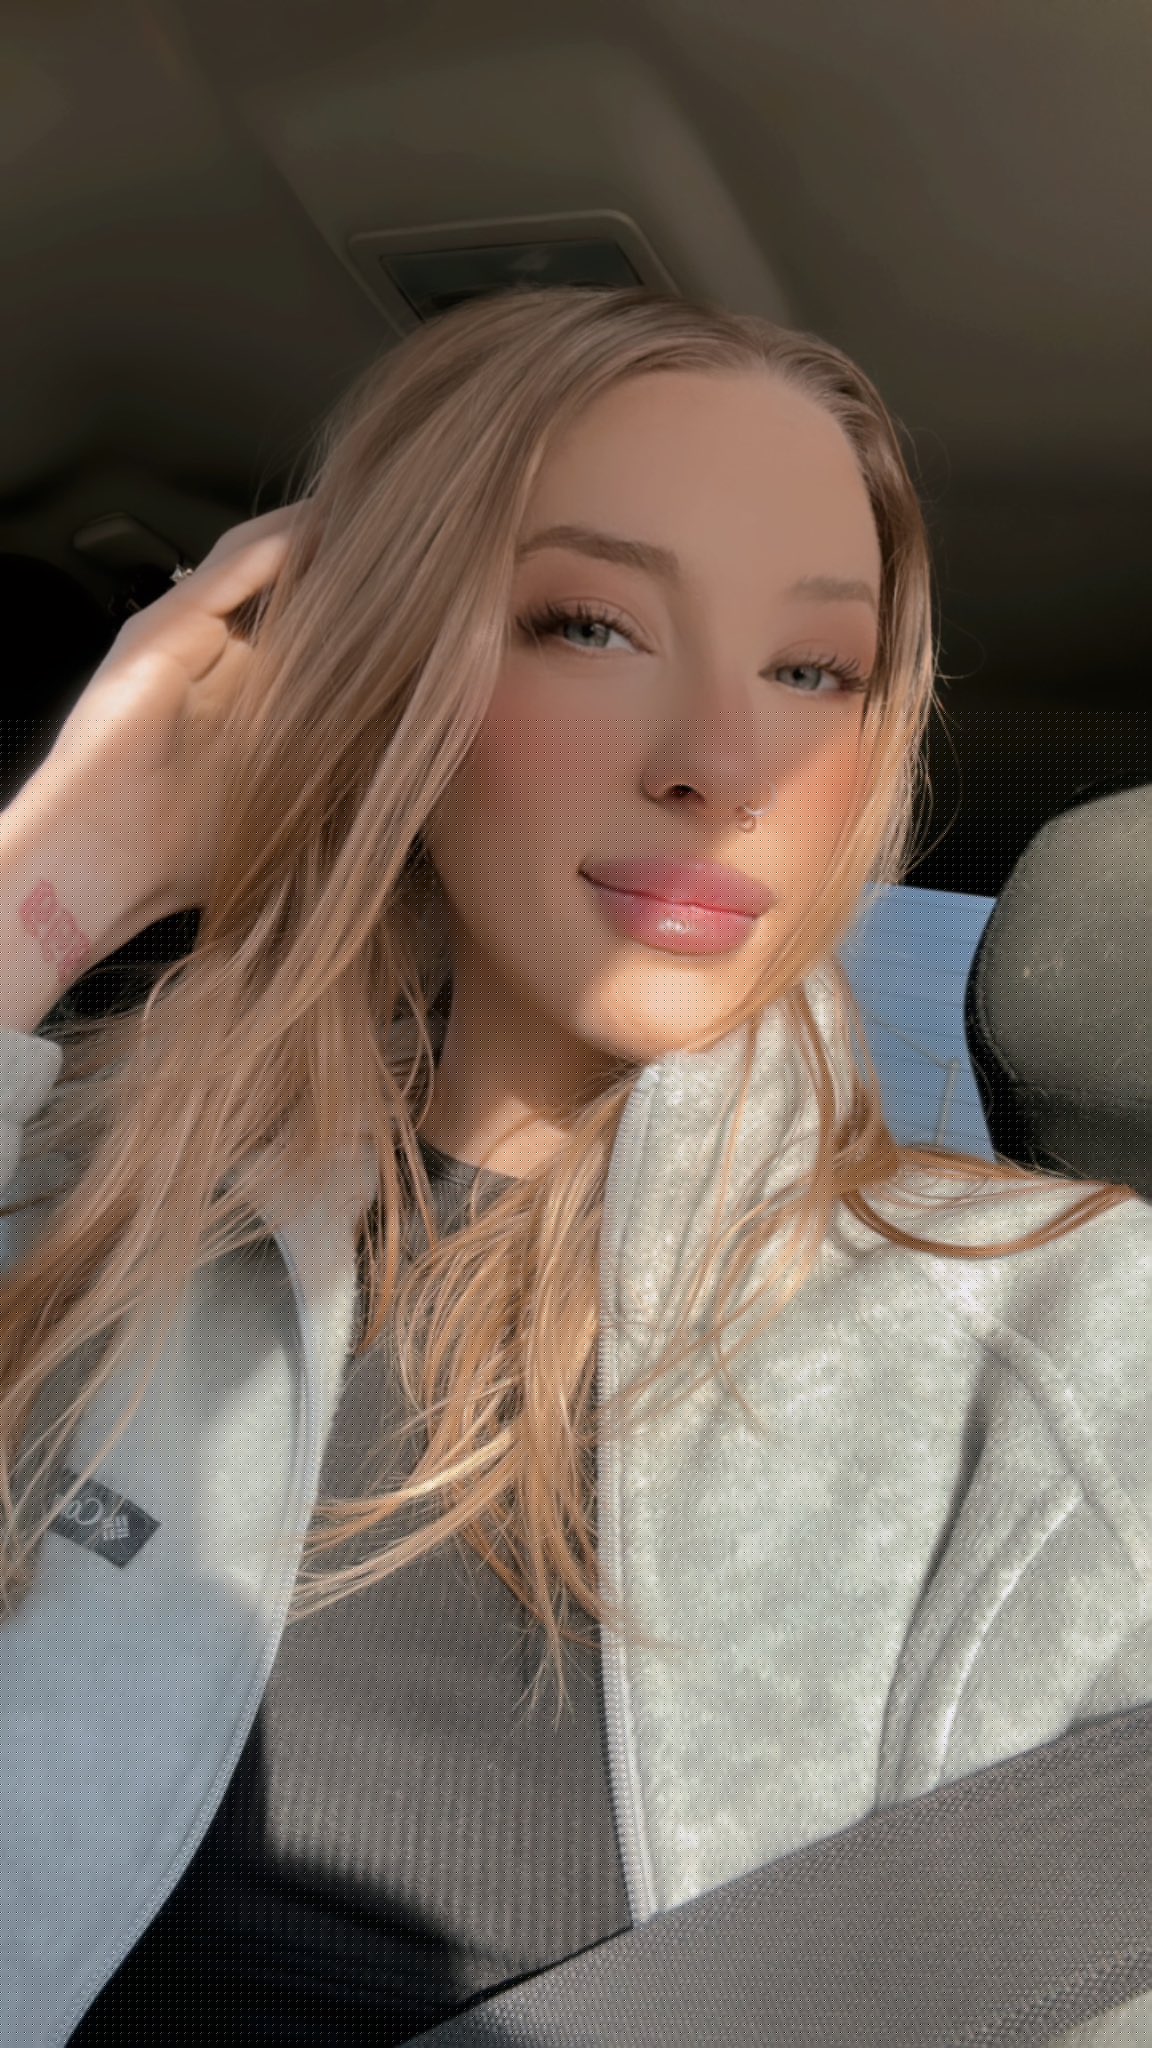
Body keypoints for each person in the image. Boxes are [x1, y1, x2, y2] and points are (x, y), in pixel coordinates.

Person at [0, 284, 1146, 2047]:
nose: (724, 766)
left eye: (813, 671)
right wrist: (54, 874)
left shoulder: (1070, 1348)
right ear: (385, 667)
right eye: (591, 626)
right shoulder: (82, 1204)